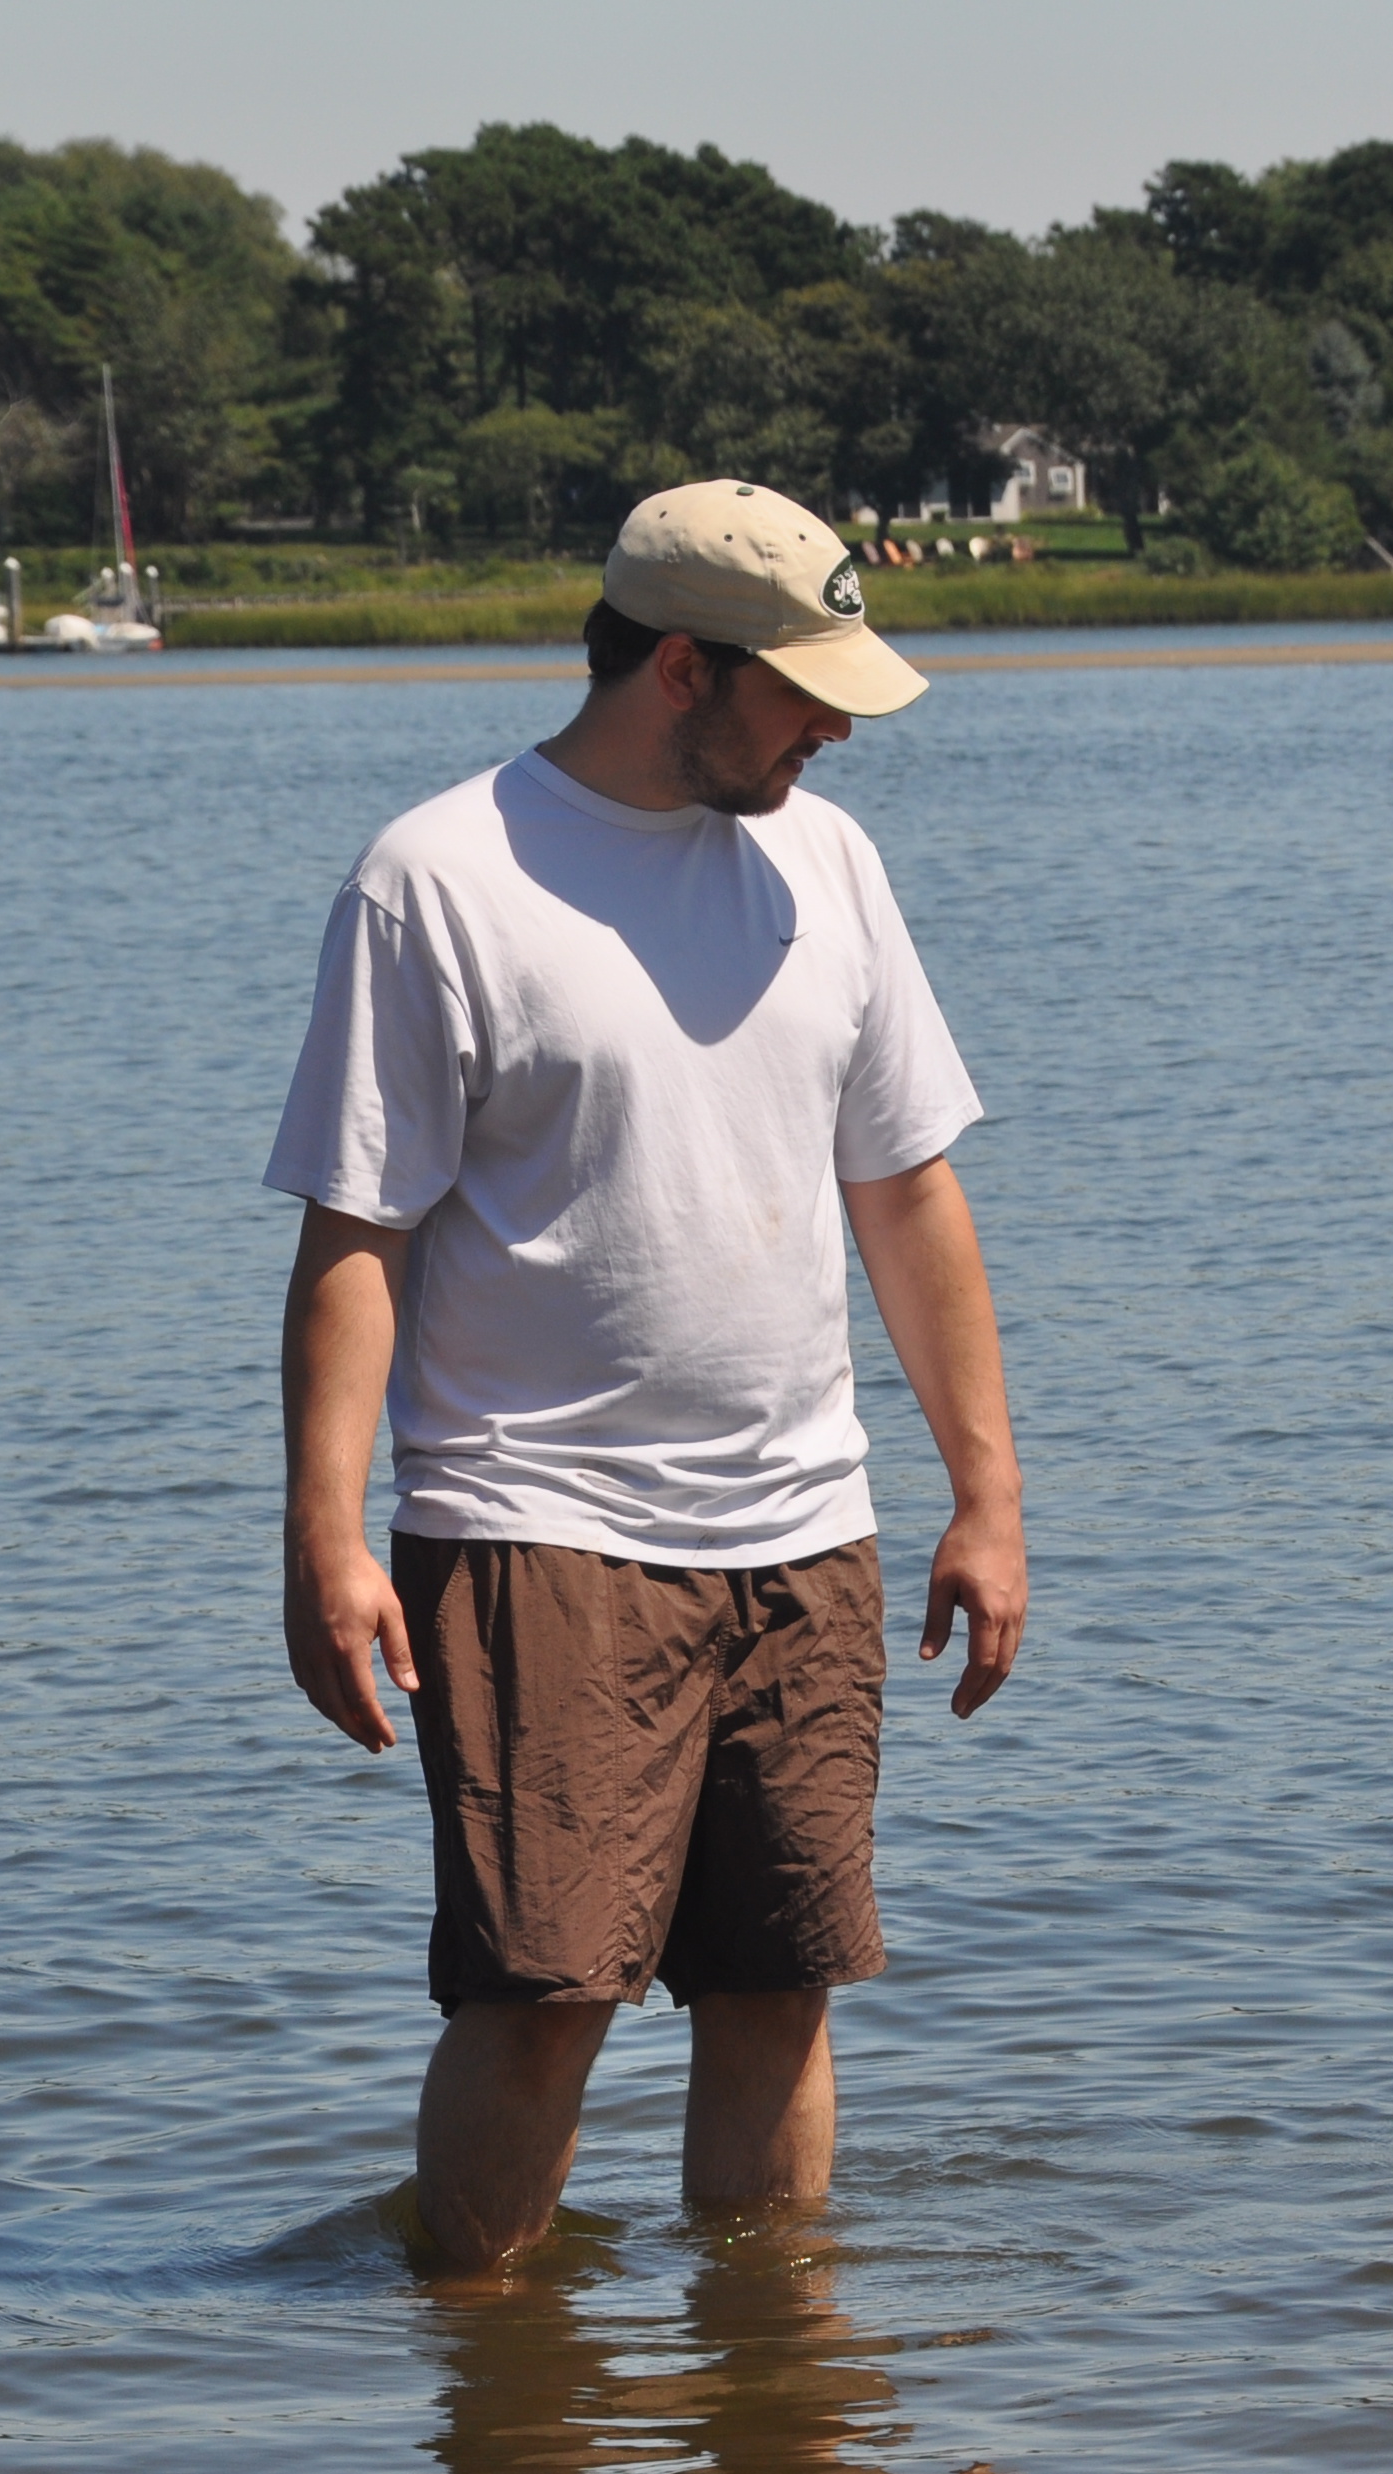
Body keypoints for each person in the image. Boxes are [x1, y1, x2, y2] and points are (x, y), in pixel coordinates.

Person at [269, 479, 1024, 2273]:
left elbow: (908, 1193)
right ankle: (488, 2372)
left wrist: (986, 1495)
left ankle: (774, 2395)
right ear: (681, 666)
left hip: (802, 1530)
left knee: (779, 1983)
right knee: (544, 1995)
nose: (837, 731)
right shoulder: (437, 878)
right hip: (536, 1522)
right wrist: (324, 1540)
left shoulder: (829, 864)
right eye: (804, 695)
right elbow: (357, 1234)